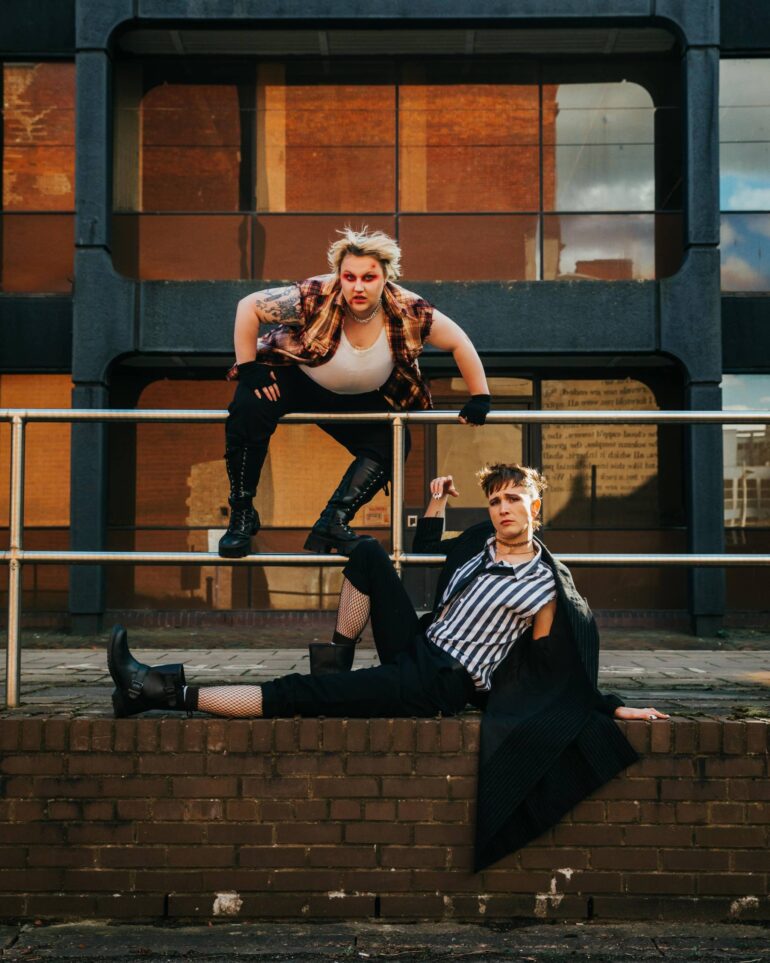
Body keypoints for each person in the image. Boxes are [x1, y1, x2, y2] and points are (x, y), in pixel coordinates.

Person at [108, 462, 668, 870]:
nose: (503, 510)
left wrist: (615, 706)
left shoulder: (546, 586)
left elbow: (559, 668)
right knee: (370, 553)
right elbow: (431, 550)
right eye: (496, 501)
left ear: (534, 507)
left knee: (303, 697)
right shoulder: (481, 545)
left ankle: (157, 692)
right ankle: (338, 665)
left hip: (438, 680)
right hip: (419, 642)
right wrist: (438, 503)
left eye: (514, 500)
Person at [218, 226, 491, 559]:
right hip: (299, 379)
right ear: (340, 276)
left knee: (393, 442)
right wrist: (248, 368)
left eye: (369, 277)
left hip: (357, 395)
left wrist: (479, 397)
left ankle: (334, 521)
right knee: (249, 403)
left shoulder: (409, 309)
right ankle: (242, 514)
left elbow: (459, 342)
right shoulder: (315, 294)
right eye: (350, 277)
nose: (358, 286)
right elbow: (248, 306)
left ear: (385, 277)